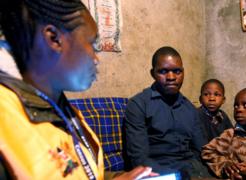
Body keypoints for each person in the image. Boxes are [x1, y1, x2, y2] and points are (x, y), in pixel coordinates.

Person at [0, 0, 156, 179]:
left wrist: (117, 178)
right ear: (53, 38)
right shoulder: (5, 117)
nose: (96, 58)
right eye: (91, 42)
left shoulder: (58, 106)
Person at [124, 46, 211, 178]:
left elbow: (202, 150)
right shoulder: (138, 105)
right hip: (158, 174)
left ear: (183, 73)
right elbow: (139, 159)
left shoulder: (190, 109)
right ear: (152, 74)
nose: (171, 77)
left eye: (177, 71)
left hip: (193, 172)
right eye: (163, 71)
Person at [198, 79, 233, 143]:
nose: (212, 99)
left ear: (223, 100)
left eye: (216, 95)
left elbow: (231, 135)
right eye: (206, 94)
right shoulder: (196, 115)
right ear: (200, 99)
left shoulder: (223, 117)